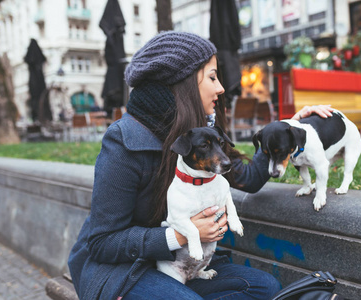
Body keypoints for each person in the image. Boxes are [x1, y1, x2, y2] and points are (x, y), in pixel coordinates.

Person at [68, 31, 333, 300]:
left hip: (184, 265)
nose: (220, 88)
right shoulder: (124, 140)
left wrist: (285, 128)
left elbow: (250, 177)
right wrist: (180, 236)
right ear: (182, 83)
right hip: (124, 272)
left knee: (265, 288)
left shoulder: (203, 138)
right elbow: (102, 242)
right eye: (212, 77)